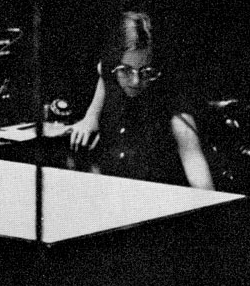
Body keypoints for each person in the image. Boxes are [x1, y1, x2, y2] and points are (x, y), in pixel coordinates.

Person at [68, 10, 214, 189]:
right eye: (126, 70)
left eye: (146, 71)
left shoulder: (176, 113)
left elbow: (197, 170)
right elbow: (103, 72)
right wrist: (91, 116)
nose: (136, 81)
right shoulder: (109, 70)